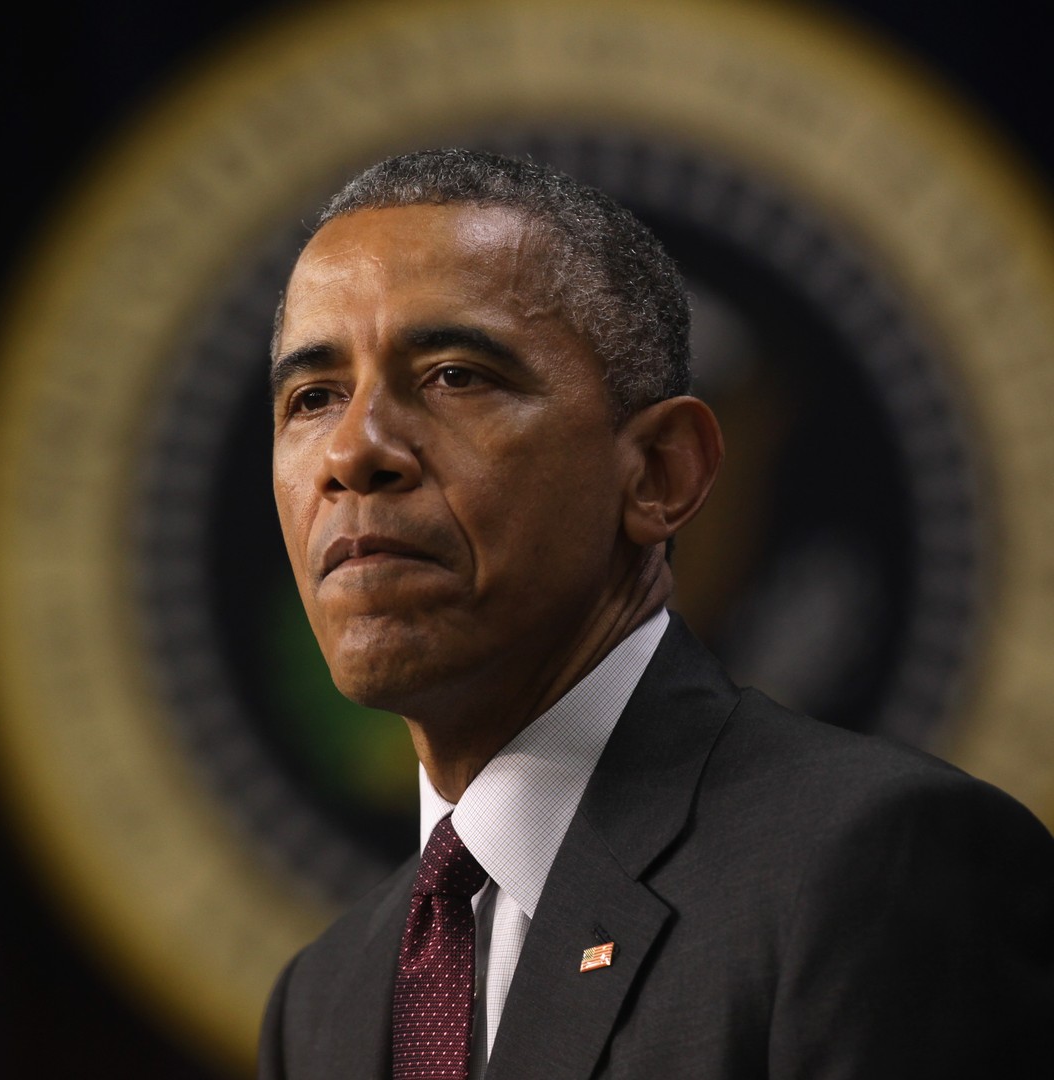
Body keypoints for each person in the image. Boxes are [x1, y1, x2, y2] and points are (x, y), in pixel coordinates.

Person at [258, 148, 1054, 1079]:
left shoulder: (874, 867)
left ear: (662, 473)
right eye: (312, 398)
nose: (355, 451)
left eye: (455, 375)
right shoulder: (324, 1000)